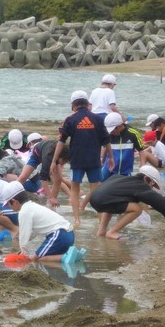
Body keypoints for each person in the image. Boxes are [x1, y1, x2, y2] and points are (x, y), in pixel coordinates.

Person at [51, 90, 114, 227]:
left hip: (77, 160)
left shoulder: (70, 119)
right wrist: (111, 158)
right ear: (87, 104)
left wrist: (53, 160)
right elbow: (106, 141)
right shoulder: (97, 119)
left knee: (75, 189)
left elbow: (61, 141)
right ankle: (100, 219)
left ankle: (77, 220)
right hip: (93, 159)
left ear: (73, 105)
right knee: (96, 190)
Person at [88, 165, 165, 240]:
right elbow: (159, 201)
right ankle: (112, 232)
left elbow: (108, 194)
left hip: (94, 198)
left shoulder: (123, 179)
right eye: (152, 185)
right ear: (146, 179)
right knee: (137, 209)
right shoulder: (141, 186)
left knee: (110, 203)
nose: (151, 188)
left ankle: (101, 231)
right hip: (104, 200)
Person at [2, 180, 83, 263]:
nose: (9, 207)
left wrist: (23, 253)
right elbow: (32, 234)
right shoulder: (32, 206)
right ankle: (70, 256)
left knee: (36, 259)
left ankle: (66, 257)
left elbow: (24, 236)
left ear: (15, 202)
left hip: (59, 235)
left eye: (8, 204)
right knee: (43, 254)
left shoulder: (24, 212)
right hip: (69, 234)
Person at [101, 112, 147, 179]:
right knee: (100, 184)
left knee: (121, 188)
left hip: (125, 171)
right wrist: (102, 161)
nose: (111, 132)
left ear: (119, 126)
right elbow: (106, 148)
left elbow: (141, 150)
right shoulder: (109, 134)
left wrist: (142, 166)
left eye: (112, 130)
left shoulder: (133, 134)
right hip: (108, 168)